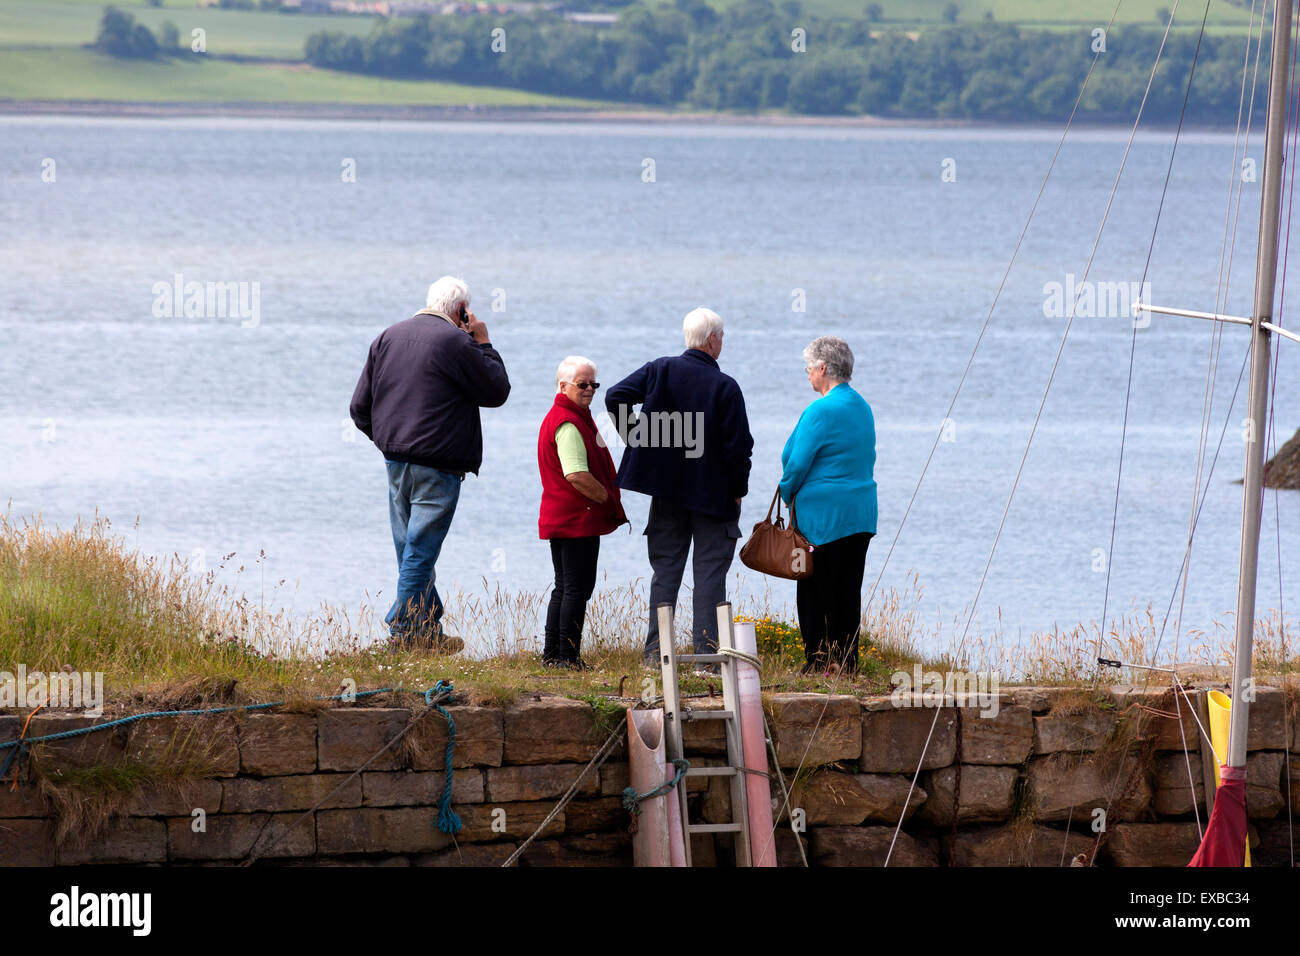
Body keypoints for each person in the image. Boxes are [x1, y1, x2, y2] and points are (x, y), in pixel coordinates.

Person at [349, 276, 511, 651]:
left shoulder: (387, 337)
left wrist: (389, 441)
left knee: (411, 551)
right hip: (438, 465)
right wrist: (483, 342)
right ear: (461, 311)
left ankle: (426, 631)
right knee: (419, 552)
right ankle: (403, 632)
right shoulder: (456, 341)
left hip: (396, 462)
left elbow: (359, 408)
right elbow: (497, 390)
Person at [605, 307, 754, 666]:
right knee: (709, 578)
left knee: (666, 573)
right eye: (722, 336)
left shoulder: (660, 369)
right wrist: (739, 490)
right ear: (713, 340)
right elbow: (739, 449)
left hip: (667, 491)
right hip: (713, 496)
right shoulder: (725, 386)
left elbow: (614, 396)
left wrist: (642, 440)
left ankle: (656, 656)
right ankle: (706, 660)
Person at [779, 335, 877, 675]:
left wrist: (786, 492)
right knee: (848, 591)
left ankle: (818, 662)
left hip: (824, 517)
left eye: (809, 367)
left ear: (823, 368)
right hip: (861, 514)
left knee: (814, 589)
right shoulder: (862, 406)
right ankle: (846, 662)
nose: (807, 373)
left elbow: (796, 461)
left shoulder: (820, 410)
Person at [537, 356, 628, 668]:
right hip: (577, 519)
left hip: (563, 516)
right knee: (577, 589)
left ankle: (552, 655)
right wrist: (605, 497)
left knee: (564, 586)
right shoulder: (567, 422)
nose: (590, 389)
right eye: (582, 384)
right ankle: (567, 657)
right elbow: (575, 473)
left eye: (594, 384)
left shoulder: (570, 415)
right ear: (563, 386)